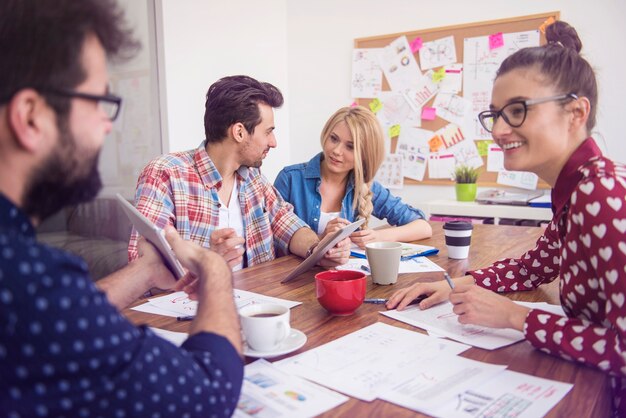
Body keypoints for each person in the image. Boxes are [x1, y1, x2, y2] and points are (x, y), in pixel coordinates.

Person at [0, 1, 244, 416]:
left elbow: (66, 314)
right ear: (30, 116)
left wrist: (147, 270)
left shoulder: (30, 284)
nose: (107, 124)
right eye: (98, 101)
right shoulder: (25, 276)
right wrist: (215, 269)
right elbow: (209, 390)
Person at [387, 21, 626, 416]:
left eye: (517, 111)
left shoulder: (602, 193)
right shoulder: (578, 187)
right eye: (495, 114)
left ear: (576, 113)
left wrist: (514, 316)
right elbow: (537, 266)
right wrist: (456, 285)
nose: (498, 130)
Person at [128, 75, 350, 270]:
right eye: (268, 132)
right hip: (193, 310)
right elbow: (144, 261)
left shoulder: (253, 178)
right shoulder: (165, 174)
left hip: (255, 305)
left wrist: (318, 248)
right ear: (239, 132)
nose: (273, 142)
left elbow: (285, 222)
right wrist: (207, 262)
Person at [274, 105, 432, 249]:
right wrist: (321, 238)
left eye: (350, 147)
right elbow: (273, 240)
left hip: (344, 276)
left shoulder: (366, 186)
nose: (337, 150)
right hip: (296, 278)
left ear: (365, 155)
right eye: (334, 139)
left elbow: (423, 227)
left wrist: (378, 236)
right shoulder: (290, 179)